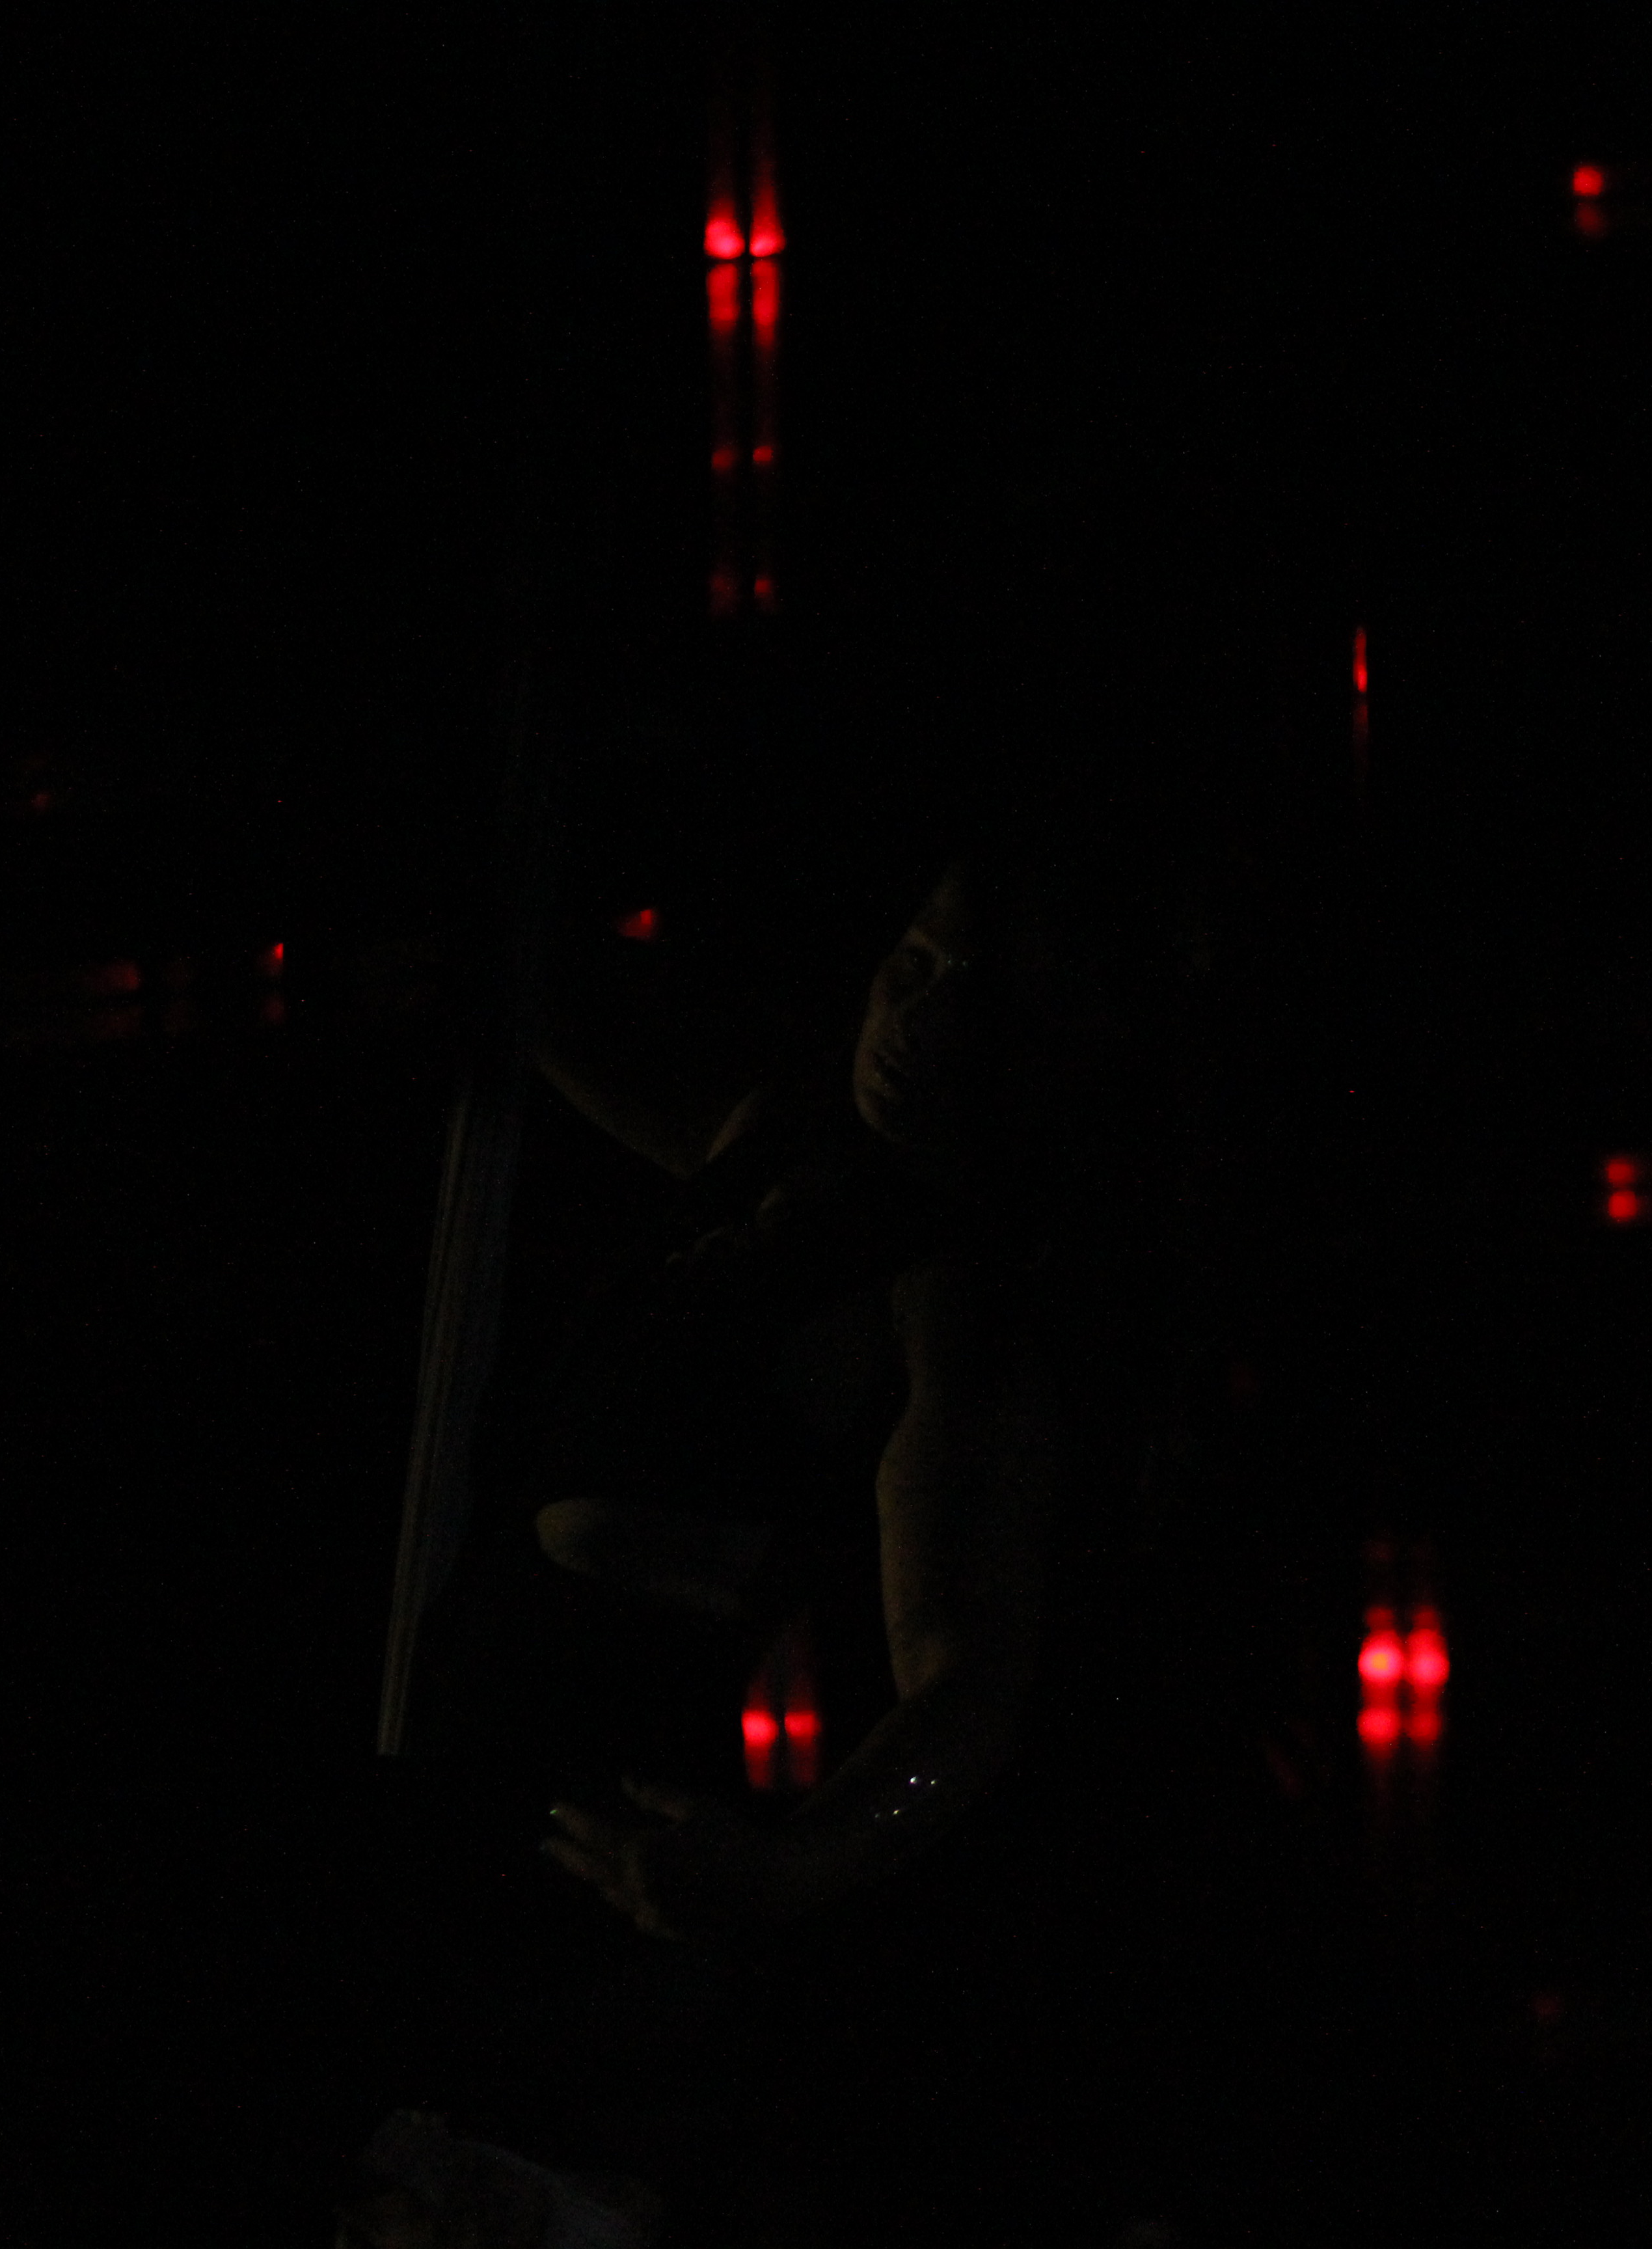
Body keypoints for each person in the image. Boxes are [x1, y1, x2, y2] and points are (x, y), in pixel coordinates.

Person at [336, 825, 1222, 2244]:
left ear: (1059, 1055)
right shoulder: (777, 1140)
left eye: (976, 1005)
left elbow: (969, 1681)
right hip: (453, 1824)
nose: (915, 1023)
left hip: (591, 1895)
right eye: (911, 968)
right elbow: (552, 1011)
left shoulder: (952, 1300)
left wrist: (790, 1868)